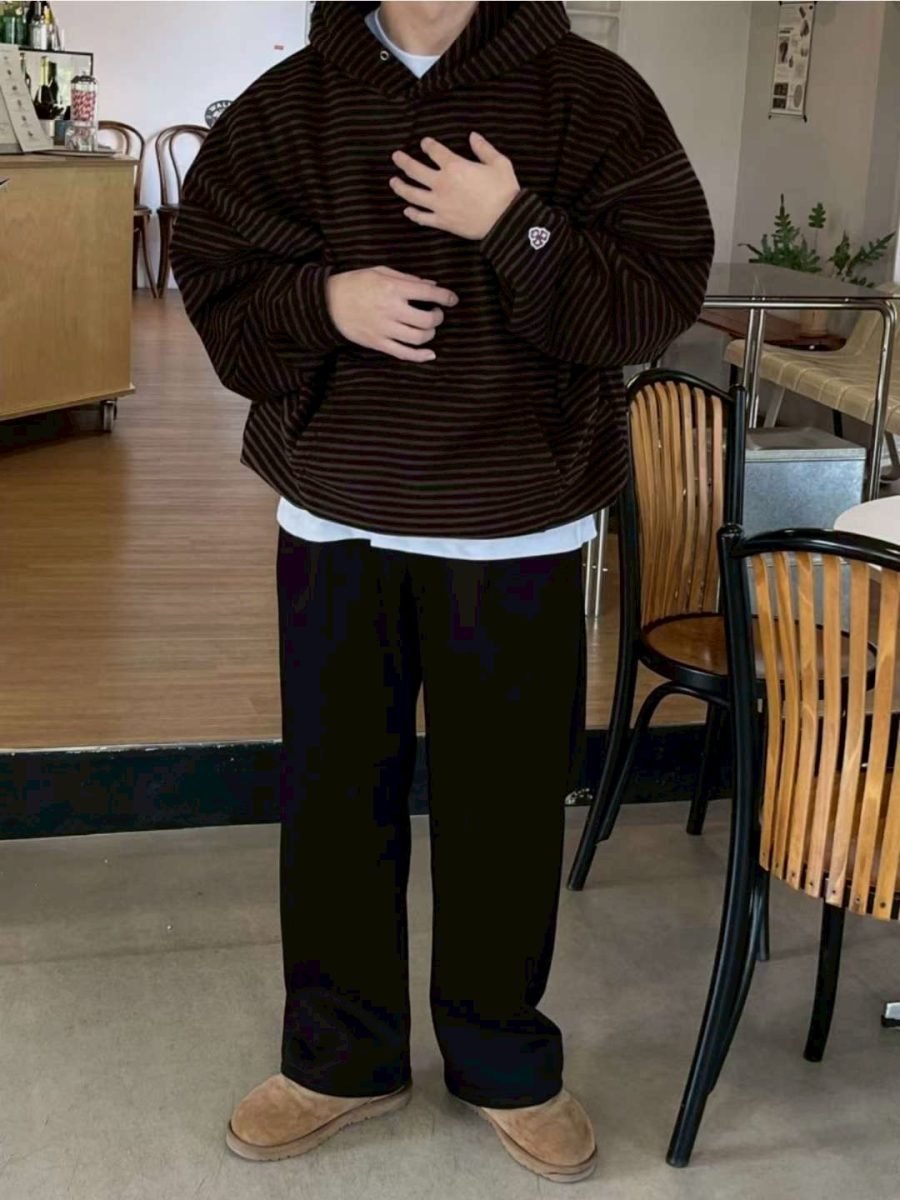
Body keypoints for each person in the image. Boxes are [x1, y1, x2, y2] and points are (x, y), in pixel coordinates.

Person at [170, 0, 714, 1183]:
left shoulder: (590, 94)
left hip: (518, 519)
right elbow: (212, 274)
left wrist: (516, 223)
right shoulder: (294, 103)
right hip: (335, 508)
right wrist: (324, 301)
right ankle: (338, 1060)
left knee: (505, 807)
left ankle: (504, 1060)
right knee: (333, 798)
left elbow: (658, 293)